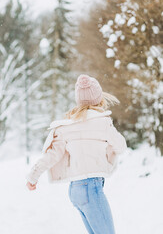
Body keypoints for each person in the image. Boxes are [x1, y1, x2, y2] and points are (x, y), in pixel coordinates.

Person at [26, 74, 127, 234]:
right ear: (99, 99)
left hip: (75, 190)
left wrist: (33, 176)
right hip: (92, 188)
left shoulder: (66, 127)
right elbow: (121, 146)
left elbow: (52, 155)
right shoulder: (103, 122)